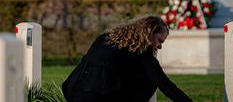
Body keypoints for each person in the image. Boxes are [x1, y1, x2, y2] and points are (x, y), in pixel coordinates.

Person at [62, 15, 193, 102]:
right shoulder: (142, 53)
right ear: (150, 33)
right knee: (151, 79)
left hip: (73, 92)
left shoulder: (104, 38)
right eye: (160, 40)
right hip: (100, 98)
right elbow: (165, 85)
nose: (159, 46)